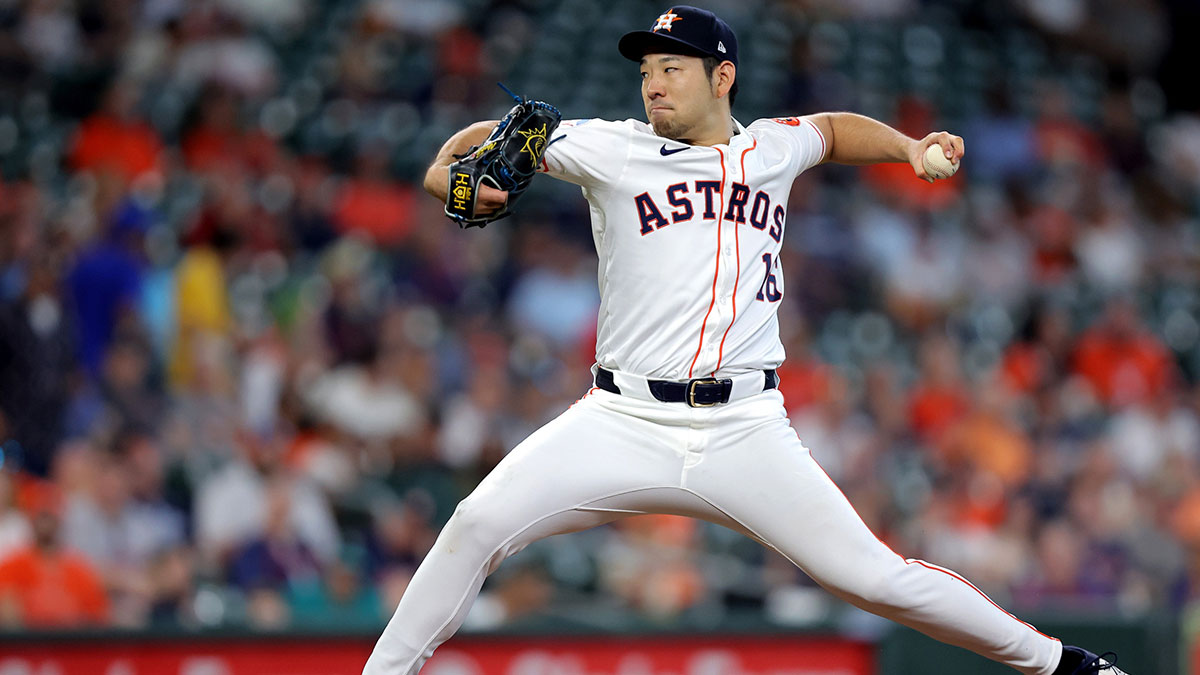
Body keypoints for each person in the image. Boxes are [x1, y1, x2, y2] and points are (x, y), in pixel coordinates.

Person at [365, 7, 1125, 675]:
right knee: (475, 522)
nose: (652, 84)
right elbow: (485, 137)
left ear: (721, 75)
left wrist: (906, 147)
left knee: (876, 578)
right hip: (620, 420)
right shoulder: (613, 148)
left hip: (744, 429)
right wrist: (442, 173)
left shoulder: (771, 148)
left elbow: (830, 131)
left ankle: (1063, 663)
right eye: (646, 71)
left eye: (672, 68)